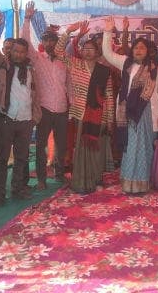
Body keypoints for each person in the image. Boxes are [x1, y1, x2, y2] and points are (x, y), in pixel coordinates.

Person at [102, 16, 158, 194]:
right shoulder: (126, 63)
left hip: (147, 113)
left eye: (142, 48)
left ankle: (141, 184)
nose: (139, 50)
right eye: (136, 47)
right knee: (130, 147)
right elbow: (107, 54)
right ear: (132, 50)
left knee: (144, 148)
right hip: (128, 113)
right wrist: (108, 31)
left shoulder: (156, 68)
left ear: (148, 51)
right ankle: (128, 183)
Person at [0, 9, 41, 207]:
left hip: (26, 120)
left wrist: (35, 117)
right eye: (15, 51)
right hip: (6, 119)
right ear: (10, 51)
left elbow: (35, 94)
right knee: (1, 159)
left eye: (22, 51)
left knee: (21, 158)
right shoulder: (3, 66)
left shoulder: (31, 69)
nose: (18, 54)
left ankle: (17, 189)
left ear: (26, 53)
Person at [56, 22, 114, 194]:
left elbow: (109, 96)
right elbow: (58, 52)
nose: (88, 51)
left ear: (97, 52)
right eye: (85, 48)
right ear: (81, 51)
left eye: (91, 49)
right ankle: (81, 181)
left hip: (99, 115)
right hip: (81, 113)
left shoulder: (104, 71)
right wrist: (68, 31)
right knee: (82, 149)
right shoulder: (75, 64)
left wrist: (109, 119)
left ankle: (96, 179)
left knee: (97, 149)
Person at [21, 2, 70, 189]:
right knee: (41, 144)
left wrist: (72, 104)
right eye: (46, 40)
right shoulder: (37, 59)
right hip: (44, 108)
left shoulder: (64, 61)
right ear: (42, 42)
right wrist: (27, 19)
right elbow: (25, 42)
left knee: (61, 145)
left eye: (52, 40)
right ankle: (41, 178)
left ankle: (59, 174)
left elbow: (69, 84)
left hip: (62, 109)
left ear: (58, 43)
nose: (49, 43)